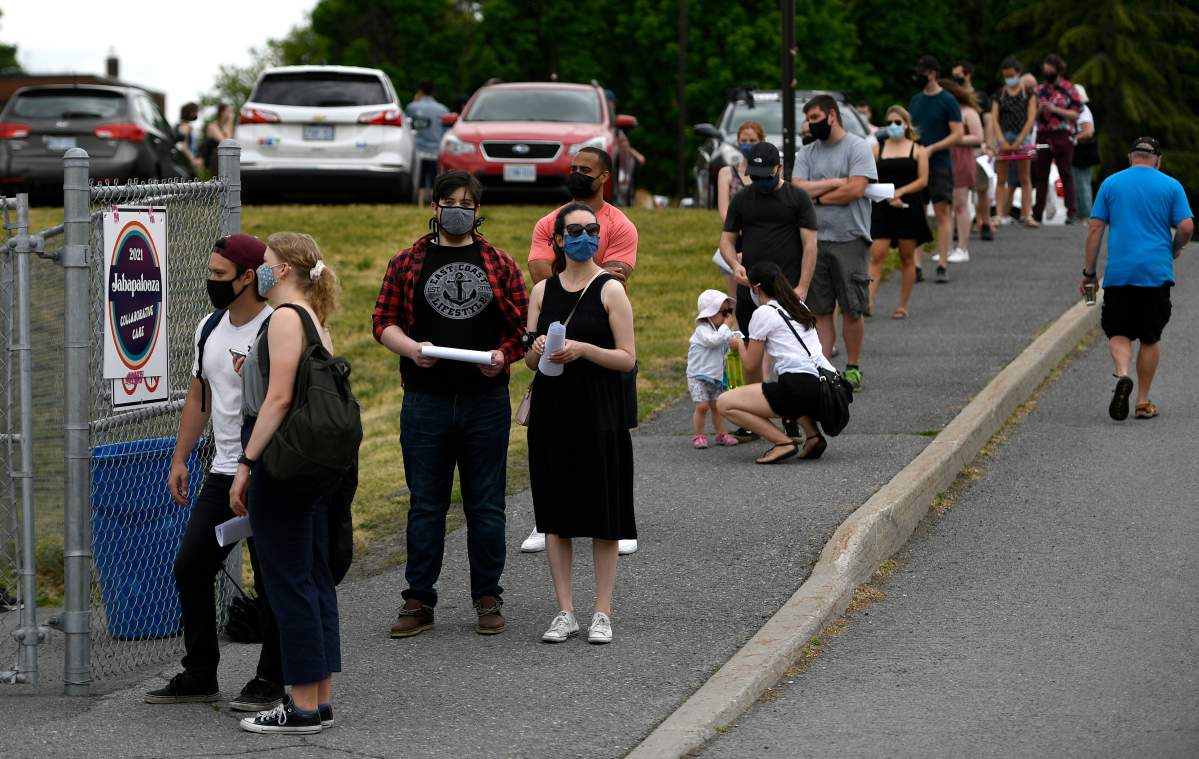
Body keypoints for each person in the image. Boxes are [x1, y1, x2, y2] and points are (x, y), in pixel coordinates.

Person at [372, 171, 528, 637]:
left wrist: (505, 358)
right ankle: (418, 600)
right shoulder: (408, 261)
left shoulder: (498, 262)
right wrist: (410, 349)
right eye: (449, 201)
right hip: (426, 402)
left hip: (486, 402)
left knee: (486, 506)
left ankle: (487, 596)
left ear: (478, 211)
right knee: (425, 506)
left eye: (467, 202)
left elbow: (522, 327)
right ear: (435, 205)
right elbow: (383, 321)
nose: (458, 208)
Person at [145, 234, 280, 711]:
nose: (210, 282)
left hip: (267, 473)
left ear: (249, 277)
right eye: (210, 272)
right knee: (191, 566)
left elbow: (281, 403)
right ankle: (200, 672)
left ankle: (272, 677)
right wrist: (181, 458)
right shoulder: (209, 326)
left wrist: (251, 464)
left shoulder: (275, 327)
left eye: (220, 275)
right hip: (222, 473)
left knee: (272, 577)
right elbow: (199, 396)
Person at [231, 232, 343, 734]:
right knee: (313, 577)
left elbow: (277, 400)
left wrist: (246, 463)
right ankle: (318, 698)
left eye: (268, 262)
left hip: (282, 459)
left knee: (288, 581)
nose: (261, 269)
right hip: (315, 465)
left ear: (287, 269)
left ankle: (299, 707)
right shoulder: (314, 319)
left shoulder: (282, 317)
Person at [524, 203, 636, 645]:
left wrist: (583, 349)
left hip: (601, 413)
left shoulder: (611, 289)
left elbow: (627, 358)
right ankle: (565, 610)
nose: (584, 237)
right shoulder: (541, 291)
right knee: (556, 515)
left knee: (604, 514)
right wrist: (537, 349)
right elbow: (531, 358)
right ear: (557, 239)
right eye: (575, 230)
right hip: (553, 415)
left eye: (592, 230)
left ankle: (602, 612)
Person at [522, 147, 639, 555]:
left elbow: (616, 278)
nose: (575, 175)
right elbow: (541, 271)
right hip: (558, 348)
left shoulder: (621, 225)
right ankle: (549, 518)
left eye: (584, 171)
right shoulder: (547, 221)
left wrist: (583, 275)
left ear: (604, 176)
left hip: (603, 336)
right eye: (572, 169)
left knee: (610, 431)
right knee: (556, 442)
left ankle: (615, 517)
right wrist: (580, 275)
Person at [1081, 137, 1193, 421]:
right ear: (1158, 159)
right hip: (1156, 272)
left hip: (1120, 272)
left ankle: (1122, 375)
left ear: (1131, 157)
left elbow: (1095, 229)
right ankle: (1142, 402)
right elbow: (1186, 226)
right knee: (1150, 336)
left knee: (1118, 331)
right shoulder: (1171, 185)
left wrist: (1089, 274)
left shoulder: (1110, 184)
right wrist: (1175, 247)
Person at [791, 94, 876, 390]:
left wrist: (818, 197)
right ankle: (825, 369)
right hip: (814, 240)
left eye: (815, 119)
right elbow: (798, 188)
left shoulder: (857, 147)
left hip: (850, 238)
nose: (810, 125)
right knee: (820, 310)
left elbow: (855, 189)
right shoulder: (807, 153)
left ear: (831, 116)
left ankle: (853, 367)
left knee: (852, 307)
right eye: (808, 120)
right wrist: (832, 184)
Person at [716, 261, 835, 464]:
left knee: (725, 403)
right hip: (826, 385)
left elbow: (751, 365)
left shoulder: (763, 313)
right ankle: (813, 436)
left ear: (756, 288)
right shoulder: (798, 305)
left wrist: (739, 345)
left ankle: (782, 442)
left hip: (800, 387)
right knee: (787, 384)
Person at [868, 107, 931, 319]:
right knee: (877, 255)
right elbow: (870, 177)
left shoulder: (918, 149)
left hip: (908, 206)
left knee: (907, 257)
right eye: (889, 122)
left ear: (906, 124)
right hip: (883, 206)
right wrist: (886, 195)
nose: (893, 126)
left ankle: (902, 305)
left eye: (897, 122)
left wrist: (900, 192)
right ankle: (868, 300)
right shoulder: (878, 148)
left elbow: (923, 180)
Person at [908, 55, 963, 283]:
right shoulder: (916, 101)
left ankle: (942, 262)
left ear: (931, 73)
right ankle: (917, 264)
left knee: (942, 213)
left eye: (921, 72)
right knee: (918, 215)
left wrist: (933, 148)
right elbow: (911, 129)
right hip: (917, 163)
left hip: (939, 165)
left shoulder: (948, 100)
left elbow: (957, 134)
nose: (918, 77)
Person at [687, 289, 744, 448]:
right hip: (697, 376)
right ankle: (698, 435)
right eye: (724, 312)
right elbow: (714, 342)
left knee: (717, 407)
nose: (728, 316)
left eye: (729, 311)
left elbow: (728, 341)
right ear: (709, 314)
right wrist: (726, 328)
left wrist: (735, 340)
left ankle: (721, 433)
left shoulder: (721, 330)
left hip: (715, 376)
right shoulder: (702, 330)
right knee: (702, 406)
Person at [714, 120, 765, 298]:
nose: (747, 145)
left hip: (762, 239)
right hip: (735, 239)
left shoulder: (768, 174)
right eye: (743, 140)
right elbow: (724, 211)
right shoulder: (726, 173)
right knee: (737, 298)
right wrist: (740, 230)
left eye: (752, 141)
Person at [1033, 54, 1082, 224]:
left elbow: (1075, 113)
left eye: (1050, 71)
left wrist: (1055, 109)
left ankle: (1072, 212)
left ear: (1058, 70)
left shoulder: (1069, 89)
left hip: (1062, 134)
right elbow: (1031, 116)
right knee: (1041, 173)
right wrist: (1040, 109)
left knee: (1065, 173)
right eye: (1045, 71)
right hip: (1043, 134)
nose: (1047, 74)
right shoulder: (1039, 90)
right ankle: (1037, 212)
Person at [952, 61, 996, 241]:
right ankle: (959, 224)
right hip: (958, 148)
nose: (956, 78)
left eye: (958, 75)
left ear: (968, 74)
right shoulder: (952, 97)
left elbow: (988, 121)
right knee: (958, 188)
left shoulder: (980, 97)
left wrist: (989, 144)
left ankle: (985, 222)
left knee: (981, 188)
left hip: (977, 148)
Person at [992, 58, 1039, 227]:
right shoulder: (1000, 93)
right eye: (1006, 76)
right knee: (1001, 178)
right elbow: (995, 119)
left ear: (1018, 73)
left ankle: (1027, 215)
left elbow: (1031, 117)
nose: (1009, 78)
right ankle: (998, 215)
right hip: (1004, 136)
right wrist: (1002, 140)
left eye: (1011, 75)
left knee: (1025, 177)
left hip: (1022, 137)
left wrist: (1020, 139)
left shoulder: (1028, 93)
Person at [944, 80, 983, 265]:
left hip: (961, 159)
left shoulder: (968, 112)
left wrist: (955, 138)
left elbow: (978, 137)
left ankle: (962, 247)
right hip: (945, 158)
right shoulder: (944, 112)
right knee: (946, 205)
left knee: (960, 203)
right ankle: (947, 247)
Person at [406, 80, 449, 206]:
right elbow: (445, 131)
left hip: (418, 150)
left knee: (420, 178)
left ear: (420, 91)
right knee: (434, 177)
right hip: (435, 150)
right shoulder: (443, 110)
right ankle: (434, 203)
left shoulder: (412, 107)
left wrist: (416, 100)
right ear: (433, 92)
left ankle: (419, 203)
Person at [1071, 84, 1098, 220]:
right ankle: (1082, 213)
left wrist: (1072, 138)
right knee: (1080, 182)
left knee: (1081, 183)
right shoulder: (1081, 109)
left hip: (1081, 152)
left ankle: (1085, 214)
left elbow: (1088, 131)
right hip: (1081, 152)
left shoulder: (1082, 110)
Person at [204, 103, 234, 175]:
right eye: (229, 111)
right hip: (215, 159)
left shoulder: (228, 126)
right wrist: (229, 123)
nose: (231, 114)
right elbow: (225, 142)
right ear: (222, 112)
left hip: (225, 160)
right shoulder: (213, 126)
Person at [175, 102, 203, 171]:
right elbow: (184, 146)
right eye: (195, 111)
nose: (196, 114)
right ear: (190, 112)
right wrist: (193, 160)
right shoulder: (185, 126)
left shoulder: (183, 125)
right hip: (186, 162)